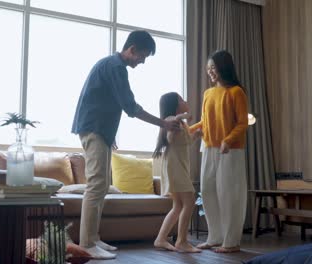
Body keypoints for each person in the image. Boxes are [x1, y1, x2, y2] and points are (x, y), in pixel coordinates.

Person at [71, 30, 181, 260]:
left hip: (98, 131)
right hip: (94, 129)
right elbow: (130, 107)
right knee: (96, 184)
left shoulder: (111, 65)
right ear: (132, 50)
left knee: (101, 186)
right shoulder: (115, 67)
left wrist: (109, 137)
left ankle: (93, 237)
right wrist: (163, 123)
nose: (142, 62)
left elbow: (106, 102)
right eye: (143, 56)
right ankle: (87, 243)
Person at [189, 50, 249, 253]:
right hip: (209, 147)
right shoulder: (208, 93)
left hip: (230, 150)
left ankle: (231, 242)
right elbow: (205, 121)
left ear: (224, 67)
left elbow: (242, 123)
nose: (210, 72)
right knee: (207, 192)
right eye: (208, 69)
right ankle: (215, 237)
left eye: (213, 68)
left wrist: (228, 140)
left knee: (229, 194)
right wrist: (192, 130)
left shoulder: (236, 92)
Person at [152, 92, 203, 253]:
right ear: (174, 105)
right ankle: (181, 241)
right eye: (181, 99)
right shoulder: (170, 120)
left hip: (177, 167)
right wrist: (181, 117)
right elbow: (171, 139)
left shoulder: (180, 123)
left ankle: (160, 239)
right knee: (189, 201)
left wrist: (197, 134)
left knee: (178, 206)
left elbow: (184, 142)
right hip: (175, 169)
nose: (185, 100)